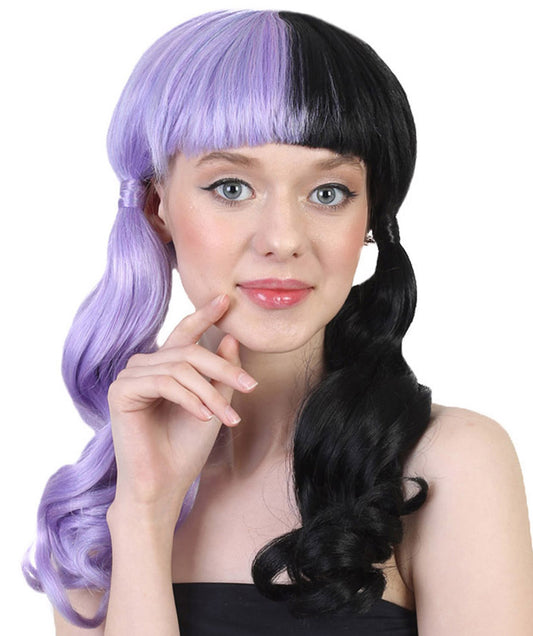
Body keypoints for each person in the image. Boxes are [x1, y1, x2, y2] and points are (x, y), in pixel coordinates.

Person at [22, 9, 533, 635]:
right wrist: (144, 513)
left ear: (369, 218)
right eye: (232, 188)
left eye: (328, 193)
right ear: (158, 208)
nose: (284, 239)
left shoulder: (448, 463)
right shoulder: (94, 512)